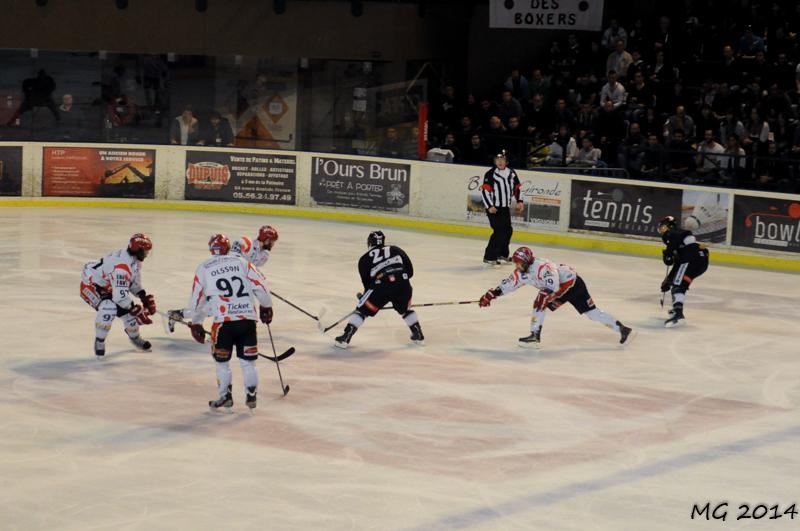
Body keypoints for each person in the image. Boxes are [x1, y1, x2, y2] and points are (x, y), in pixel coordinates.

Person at [184, 234, 274, 410]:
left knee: (221, 363)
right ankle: (251, 395)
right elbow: (261, 285)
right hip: (247, 320)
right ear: (227, 247)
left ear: (211, 249)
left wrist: (196, 322)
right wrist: (266, 306)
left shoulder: (203, 267)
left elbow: (197, 299)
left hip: (223, 323)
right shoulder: (242, 262)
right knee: (248, 363)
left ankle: (225, 396)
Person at [478, 246, 633, 348]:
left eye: (519, 263)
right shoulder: (521, 272)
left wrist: (548, 298)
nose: (516, 266)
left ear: (526, 261)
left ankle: (534, 336)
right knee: (591, 313)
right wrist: (492, 294)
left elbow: (554, 287)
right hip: (573, 283)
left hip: (571, 285)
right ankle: (623, 329)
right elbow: (509, 284)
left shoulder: (543, 267)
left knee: (541, 300)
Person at [334, 231, 424, 349]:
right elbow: (410, 272)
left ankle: (345, 337)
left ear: (370, 243)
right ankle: (418, 334)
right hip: (403, 285)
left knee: (361, 311)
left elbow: (368, 286)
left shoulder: (364, 259)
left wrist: (366, 300)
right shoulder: (396, 249)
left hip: (381, 285)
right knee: (405, 310)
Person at [79, 234, 155, 357]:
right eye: (145, 251)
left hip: (109, 285)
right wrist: (135, 308)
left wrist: (142, 296)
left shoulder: (134, 261)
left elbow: (132, 282)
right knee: (109, 308)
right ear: (138, 250)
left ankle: (135, 338)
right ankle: (100, 340)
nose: (147, 254)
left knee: (130, 316)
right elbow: (120, 297)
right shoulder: (121, 267)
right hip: (93, 285)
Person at [658, 216, 709, 328]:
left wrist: (668, 252)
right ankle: (677, 309)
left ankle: (678, 314)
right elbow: (679, 264)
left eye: (663, 227)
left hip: (692, 257)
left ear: (669, 227)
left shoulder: (673, 233)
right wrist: (669, 279)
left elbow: (677, 240)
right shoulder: (680, 242)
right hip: (700, 259)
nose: (661, 231)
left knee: (678, 285)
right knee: (679, 283)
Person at [480, 151, 523, 265]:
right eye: (497, 159)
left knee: (508, 230)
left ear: (507, 161)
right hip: (494, 208)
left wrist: (520, 201)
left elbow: (517, 188)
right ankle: (489, 256)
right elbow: (485, 191)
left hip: (505, 208)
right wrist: (490, 206)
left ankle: (502, 254)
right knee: (499, 231)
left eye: (502, 159)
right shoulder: (490, 174)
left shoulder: (512, 173)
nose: (499, 161)